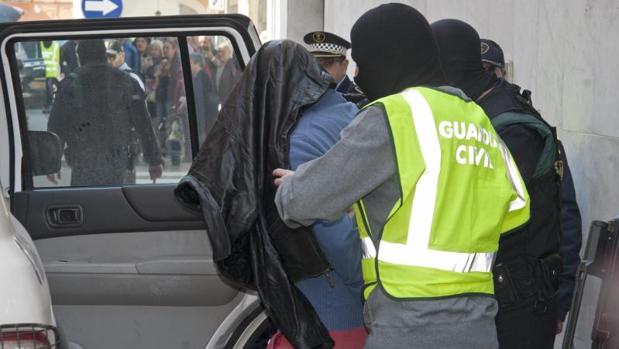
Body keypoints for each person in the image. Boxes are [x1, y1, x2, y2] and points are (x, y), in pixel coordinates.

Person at [272, 4, 530, 348]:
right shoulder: (476, 119)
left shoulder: (392, 115)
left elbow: (301, 202)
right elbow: (514, 210)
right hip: (479, 328)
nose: (360, 76)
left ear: (388, 58)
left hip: (409, 328)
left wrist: (293, 183)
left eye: (363, 62)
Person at [432, 19, 563, 349]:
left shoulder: (507, 125)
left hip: (517, 302)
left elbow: (513, 216)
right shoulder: (479, 110)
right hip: (492, 295)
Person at [481, 37, 583, 334]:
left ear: (503, 74)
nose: (485, 77)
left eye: (491, 69)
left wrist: (561, 299)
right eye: (478, 70)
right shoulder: (466, 135)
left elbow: (566, 222)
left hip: (528, 301)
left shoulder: (531, 134)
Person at [267, 58, 365, 349]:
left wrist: (362, 286)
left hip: (331, 311)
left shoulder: (302, 139)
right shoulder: (353, 114)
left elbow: (332, 236)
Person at [48, 39, 162, 186]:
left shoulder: (70, 84)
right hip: (118, 159)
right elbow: (143, 123)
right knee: (117, 204)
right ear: (103, 55)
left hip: (83, 160)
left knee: (86, 204)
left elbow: (57, 126)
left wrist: (52, 162)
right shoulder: (126, 81)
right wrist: (154, 160)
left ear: (80, 56)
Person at [302, 31, 363, 98]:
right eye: (314, 64)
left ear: (344, 66)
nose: (319, 70)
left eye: (327, 63)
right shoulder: (305, 95)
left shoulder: (357, 98)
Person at [480, 38, 533, 104]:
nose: (483, 77)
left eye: (488, 69)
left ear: (503, 73)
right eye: (476, 71)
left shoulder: (516, 105)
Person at [189, 53, 218, 143]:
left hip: (203, 117)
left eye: (191, 63)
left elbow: (199, 99)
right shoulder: (198, 77)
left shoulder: (201, 77)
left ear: (197, 64)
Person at [40, 40, 60, 114]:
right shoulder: (41, 44)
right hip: (44, 73)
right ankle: (48, 106)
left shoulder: (55, 45)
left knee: (51, 91)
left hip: (53, 73)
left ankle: (51, 106)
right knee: (48, 91)